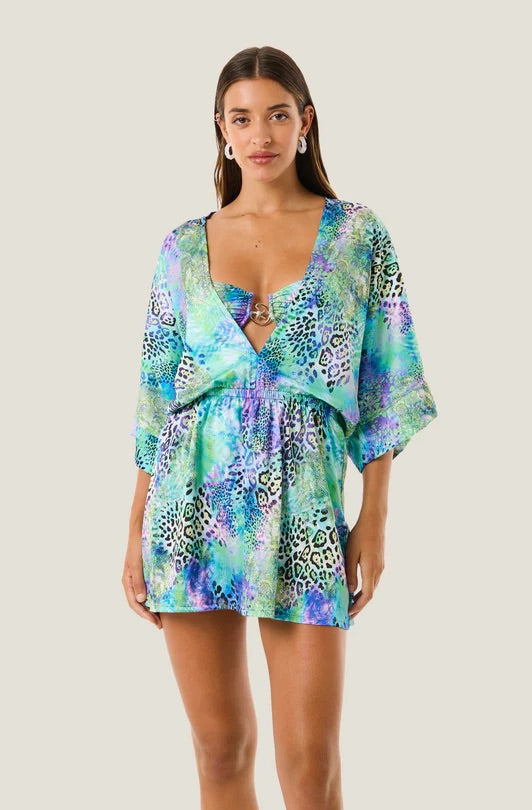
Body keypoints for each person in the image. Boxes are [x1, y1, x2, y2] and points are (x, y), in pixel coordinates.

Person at [123, 45, 438, 810]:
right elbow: (155, 401)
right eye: (241, 118)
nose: (259, 134)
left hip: (304, 516)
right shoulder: (183, 246)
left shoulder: (357, 236)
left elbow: (386, 386)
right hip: (188, 513)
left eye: (276, 114)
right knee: (219, 748)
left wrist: (374, 520)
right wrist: (133, 531)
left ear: (306, 122)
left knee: (310, 765)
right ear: (221, 130)